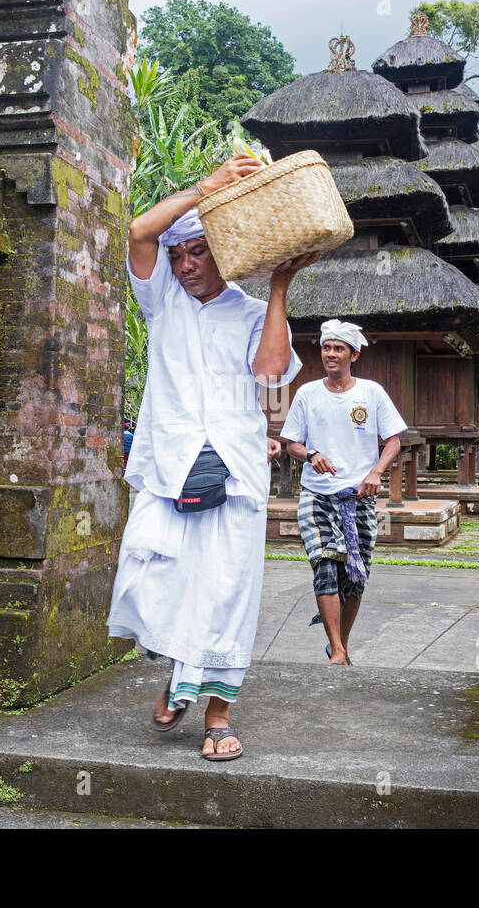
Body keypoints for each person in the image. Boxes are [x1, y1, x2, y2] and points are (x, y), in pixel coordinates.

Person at [107, 153, 320, 761]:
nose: (184, 264)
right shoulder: (162, 302)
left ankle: (218, 713)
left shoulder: (252, 313)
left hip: (235, 466)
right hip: (168, 462)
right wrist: (205, 188)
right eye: (178, 255)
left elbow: (272, 374)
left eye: (197, 251)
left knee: (226, 587)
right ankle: (179, 676)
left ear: (224, 251)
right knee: (156, 576)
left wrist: (279, 286)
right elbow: (139, 231)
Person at [280, 319, 406, 666]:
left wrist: (376, 472)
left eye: (338, 348)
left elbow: (394, 440)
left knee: (355, 575)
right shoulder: (307, 393)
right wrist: (312, 455)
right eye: (326, 348)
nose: (330, 354)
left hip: (359, 498)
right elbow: (291, 443)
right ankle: (336, 649)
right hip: (317, 494)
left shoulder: (371, 393)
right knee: (324, 565)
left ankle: (342, 644)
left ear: (354, 354)